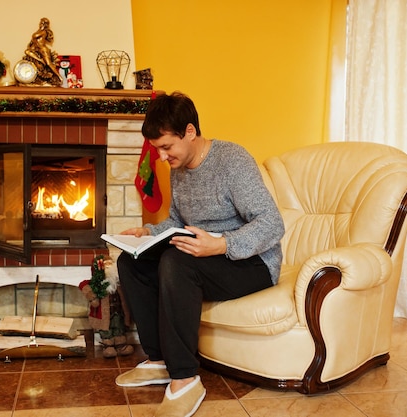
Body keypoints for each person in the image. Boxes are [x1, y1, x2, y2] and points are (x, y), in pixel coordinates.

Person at [115, 92, 285, 417]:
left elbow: (271, 223)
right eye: (157, 149)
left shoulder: (232, 161)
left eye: (167, 147)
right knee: (131, 261)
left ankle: (185, 378)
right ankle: (160, 360)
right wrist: (147, 233)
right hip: (205, 256)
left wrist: (222, 245)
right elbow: (179, 222)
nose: (162, 157)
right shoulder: (180, 168)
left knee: (176, 261)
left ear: (190, 132)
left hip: (252, 262)